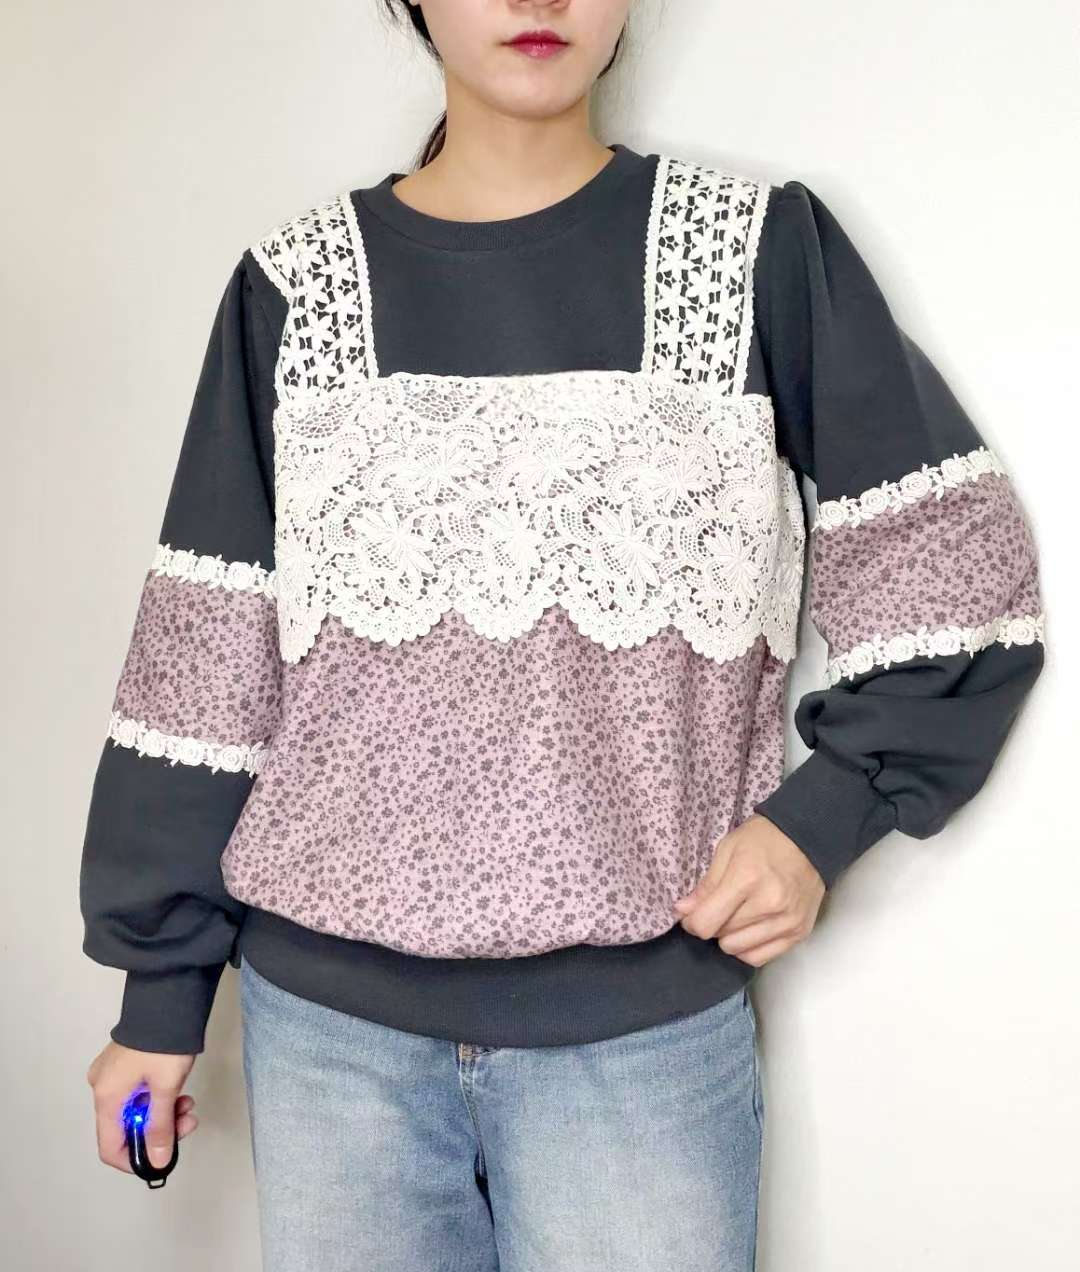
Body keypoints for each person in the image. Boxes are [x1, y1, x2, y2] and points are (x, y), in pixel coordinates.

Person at [80, 2, 1046, 1268]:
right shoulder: (292, 289)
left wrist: (823, 821)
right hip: (327, 1046)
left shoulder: (758, 252)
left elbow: (955, 574)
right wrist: (157, 999)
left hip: (641, 1052)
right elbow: (203, 667)